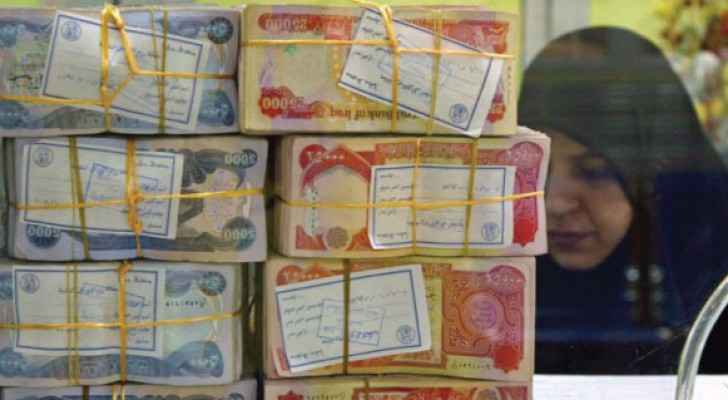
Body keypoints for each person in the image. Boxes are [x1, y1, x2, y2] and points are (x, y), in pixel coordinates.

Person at [519, 27, 728, 374]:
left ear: (655, 178)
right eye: (537, 167)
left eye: (595, 172)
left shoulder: (712, 296)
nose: (554, 203)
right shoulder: (498, 298)